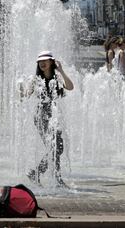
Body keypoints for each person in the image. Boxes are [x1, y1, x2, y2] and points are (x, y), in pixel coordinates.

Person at [23, 51, 74, 187]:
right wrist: (21, 89)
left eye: (45, 60)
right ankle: (55, 179)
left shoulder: (57, 77)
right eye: (40, 61)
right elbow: (26, 95)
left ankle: (40, 174)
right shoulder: (36, 79)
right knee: (55, 147)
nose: (42, 63)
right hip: (41, 116)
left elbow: (70, 87)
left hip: (54, 115)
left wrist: (61, 70)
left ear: (52, 62)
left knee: (57, 147)